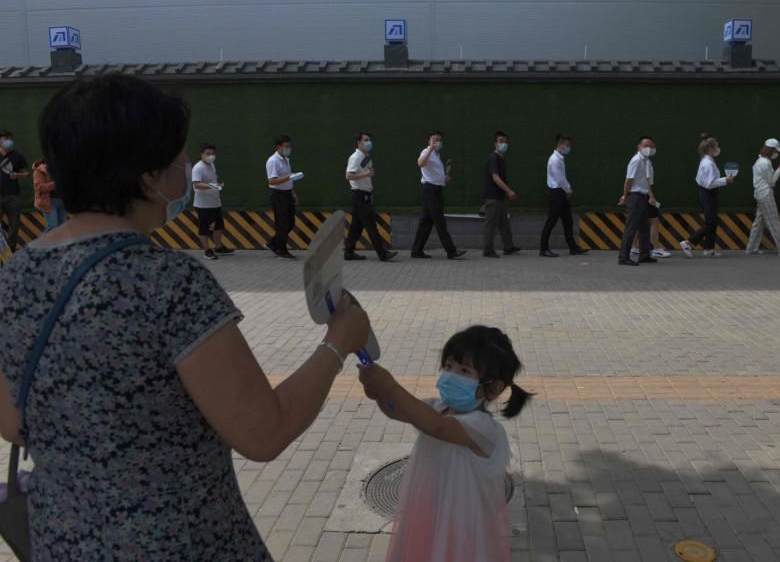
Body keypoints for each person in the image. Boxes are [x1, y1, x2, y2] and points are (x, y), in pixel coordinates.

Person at [0, 74, 371, 559]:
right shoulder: (169, 283)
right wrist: (338, 341)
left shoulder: (16, 275)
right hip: (178, 541)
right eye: (178, 156)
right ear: (147, 176)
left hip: (64, 539)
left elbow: (12, 423)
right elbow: (263, 432)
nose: (187, 163)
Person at [358, 326, 532, 562]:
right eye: (449, 366)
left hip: (463, 526)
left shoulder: (484, 428)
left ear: (493, 387)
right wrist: (379, 394)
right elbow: (398, 411)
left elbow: (437, 427)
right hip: (429, 512)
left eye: (463, 370)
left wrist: (390, 385)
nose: (451, 375)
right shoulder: (437, 407)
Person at [411, 131, 465, 260]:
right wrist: (430, 149)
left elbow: (433, 173)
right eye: (435, 139)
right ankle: (451, 251)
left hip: (434, 190)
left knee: (426, 223)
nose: (437, 142)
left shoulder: (436, 155)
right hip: (430, 191)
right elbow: (420, 164)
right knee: (440, 222)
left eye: (440, 140)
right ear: (429, 140)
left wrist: (444, 178)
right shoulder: (426, 152)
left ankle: (416, 251)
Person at [344, 133, 398, 262]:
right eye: (366, 140)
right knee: (371, 225)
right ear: (359, 142)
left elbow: (364, 177)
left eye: (370, 140)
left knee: (356, 227)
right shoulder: (355, 157)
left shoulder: (366, 156)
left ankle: (349, 253)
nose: (369, 142)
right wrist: (367, 174)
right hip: (359, 195)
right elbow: (348, 176)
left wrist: (369, 193)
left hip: (363, 195)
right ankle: (382, 253)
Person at [680, 133, 734, 258]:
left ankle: (709, 249)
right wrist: (726, 180)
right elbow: (710, 184)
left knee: (712, 221)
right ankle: (688, 242)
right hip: (708, 193)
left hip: (706, 193)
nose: (717, 149)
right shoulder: (708, 163)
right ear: (710, 148)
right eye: (716, 146)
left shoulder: (706, 160)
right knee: (710, 222)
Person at [745, 139, 780, 257]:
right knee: (773, 221)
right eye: (775, 151)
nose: (776, 153)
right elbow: (771, 182)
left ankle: (751, 247)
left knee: (758, 222)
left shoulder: (759, 161)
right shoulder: (766, 163)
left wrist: (778, 169)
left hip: (759, 194)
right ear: (771, 150)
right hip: (766, 194)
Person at [540, 134, 588, 257]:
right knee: (551, 221)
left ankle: (573, 248)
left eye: (569, 145)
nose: (568, 147)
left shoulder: (559, 158)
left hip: (561, 193)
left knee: (568, 221)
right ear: (559, 144)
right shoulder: (555, 160)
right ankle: (543, 249)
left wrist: (566, 190)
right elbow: (560, 179)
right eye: (566, 145)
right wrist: (568, 190)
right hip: (557, 194)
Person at [617, 136, 658, 265]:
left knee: (644, 227)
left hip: (643, 197)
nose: (649, 148)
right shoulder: (636, 160)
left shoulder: (646, 161)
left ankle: (644, 255)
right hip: (635, 197)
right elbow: (628, 180)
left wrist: (651, 197)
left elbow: (647, 182)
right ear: (639, 147)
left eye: (651, 146)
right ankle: (623, 257)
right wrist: (625, 195)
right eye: (645, 145)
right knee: (631, 227)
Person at [192, 143, 234, 260]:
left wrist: (217, 185)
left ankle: (219, 247)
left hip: (215, 202)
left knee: (218, 226)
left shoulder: (212, 165)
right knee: (204, 228)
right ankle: (207, 250)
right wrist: (213, 186)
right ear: (202, 154)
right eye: (208, 154)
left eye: (213, 154)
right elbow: (197, 184)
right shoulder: (198, 167)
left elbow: (212, 180)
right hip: (203, 204)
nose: (211, 156)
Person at [482, 131, 520, 258]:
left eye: (505, 141)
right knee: (491, 225)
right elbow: (495, 177)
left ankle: (508, 246)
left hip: (500, 198)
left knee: (504, 224)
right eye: (500, 141)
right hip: (493, 198)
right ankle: (487, 250)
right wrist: (509, 191)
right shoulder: (494, 158)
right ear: (495, 143)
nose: (503, 144)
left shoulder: (500, 159)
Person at [265, 134, 298, 260]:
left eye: (290, 146)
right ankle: (281, 250)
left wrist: (293, 193)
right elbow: (272, 181)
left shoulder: (286, 159)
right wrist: (290, 177)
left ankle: (272, 243)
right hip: (278, 195)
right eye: (286, 146)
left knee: (291, 223)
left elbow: (288, 177)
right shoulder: (273, 161)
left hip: (287, 193)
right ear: (279, 147)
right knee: (282, 224)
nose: (289, 148)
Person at [0, 131, 29, 250]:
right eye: (5, 139)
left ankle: (11, 248)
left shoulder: (18, 156)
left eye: (9, 139)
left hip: (13, 196)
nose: (8, 141)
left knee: (14, 224)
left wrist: (17, 174)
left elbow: (26, 173)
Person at [32, 159, 67, 233]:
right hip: (49, 202)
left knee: (63, 227)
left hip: (62, 201)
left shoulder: (61, 168)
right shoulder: (39, 171)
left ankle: (60, 245)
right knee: (52, 227)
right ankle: (41, 244)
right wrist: (55, 183)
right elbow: (39, 187)